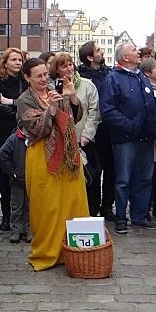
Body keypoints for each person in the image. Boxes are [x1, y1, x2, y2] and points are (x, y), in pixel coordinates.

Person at [17, 57, 89, 270]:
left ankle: (71, 250)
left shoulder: (54, 92)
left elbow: (73, 119)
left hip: (67, 155)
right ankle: (47, 252)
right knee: (47, 206)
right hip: (42, 157)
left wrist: (71, 96)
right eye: (38, 76)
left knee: (72, 203)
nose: (43, 79)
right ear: (27, 77)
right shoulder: (24, 100)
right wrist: (53, 109)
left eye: (45, 74)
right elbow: (37, 129)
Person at [99, 43, 156, 235]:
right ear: (125, 57)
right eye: (134, 50)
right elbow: (108, 110)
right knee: (123, 180)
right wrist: (131, 126)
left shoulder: (141, 76)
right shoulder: (113, 79)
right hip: (125, 139)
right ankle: (120, 218)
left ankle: (139, 217)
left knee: (144, 179)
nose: (139, 52)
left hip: (146, 138)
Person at [49, 52, 101, 201]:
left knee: (90, 178)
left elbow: (94, 112)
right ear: (57, 69)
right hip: (61, 142)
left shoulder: (87, 85)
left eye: (70, 64)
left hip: (82, 139)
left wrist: (86, 136)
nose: (69, 69)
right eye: (64, 66)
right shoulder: (51, 87)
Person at [0, 48, 28, 231]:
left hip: (20, 131)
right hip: (1, 131)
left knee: (21, 174)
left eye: (20, 60)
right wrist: (16, 106)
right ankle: (6, 216)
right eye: (13, 59)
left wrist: (12, 103)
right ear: (5, 62)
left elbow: (27, 106)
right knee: (5, 175)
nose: (18, 63)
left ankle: (23, 217)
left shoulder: (24, 81)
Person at [78, 40, 114, 219]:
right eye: (98, 50)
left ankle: (107, 206)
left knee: (111, 171)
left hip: (108, 131)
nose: (102, 53)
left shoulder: (109, 74)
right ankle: (91, 207)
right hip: (89, 133)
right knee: (92, 172)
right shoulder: (81, 77)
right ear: (90, 57)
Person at [140, 57, 156, 223]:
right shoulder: (144, 88)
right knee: (148, 175)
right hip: (148, 137)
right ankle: (146, 207)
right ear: (148, 72)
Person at [0, 127, 30, 243]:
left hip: (31, 180)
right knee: (16, 206)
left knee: (29, 206)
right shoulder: (14, 139)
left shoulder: (34, 138)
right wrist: (11, 172)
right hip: (17, 180)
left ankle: (28, 229)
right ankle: (16, 230)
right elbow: (2, 154)